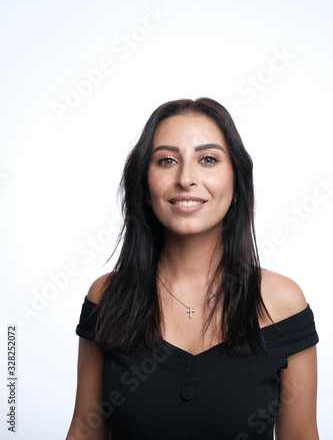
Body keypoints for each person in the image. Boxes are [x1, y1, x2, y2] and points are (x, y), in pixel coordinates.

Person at [66, 97, 319, 440]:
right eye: (167, 160)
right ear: (144, 184)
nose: (186, 179)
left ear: (236, 182)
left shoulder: (283, 303)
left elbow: (301, 435)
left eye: (208, 159)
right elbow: (84, 430)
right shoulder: (107, 297)